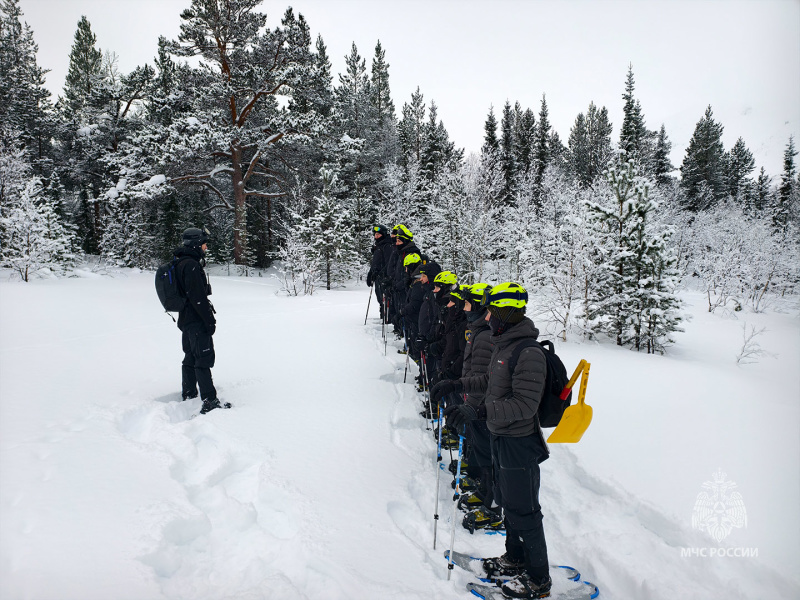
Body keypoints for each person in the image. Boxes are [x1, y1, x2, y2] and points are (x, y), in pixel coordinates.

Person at [431, 282, 551, 599]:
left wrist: (479, 411)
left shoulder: (528, 353)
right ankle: (514, 559)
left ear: (508, 312)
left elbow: (525, 405)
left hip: (520, 443)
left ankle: (539, 580)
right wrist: (455, 383)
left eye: (493, 312)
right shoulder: (504, 345)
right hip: (501, 437)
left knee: (525, 512)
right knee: (510, 506)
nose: (488, 319)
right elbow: (488, 381)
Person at [174, 227, 222, 415]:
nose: (206, 247)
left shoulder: (180, 262)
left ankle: (189, 392)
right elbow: (198, 298)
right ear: (196, 244)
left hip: (185, 319)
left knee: (190, 356)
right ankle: (210, 400)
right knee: (203, 357)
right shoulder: (192, 266)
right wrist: (209, 321)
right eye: (204, 243)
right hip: (196, 320)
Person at [366, 225, 393, 320]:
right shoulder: (378, 246)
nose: (376, 236)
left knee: (385, 298)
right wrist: (371, 273)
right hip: (377, 277)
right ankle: (384, 316)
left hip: (384, 277)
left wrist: (382, 274)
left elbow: (389, 262)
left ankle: (388, 318)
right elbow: (375, 263)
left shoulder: (387, 245)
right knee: (380, 297)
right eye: (375, 234)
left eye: (378, 234)